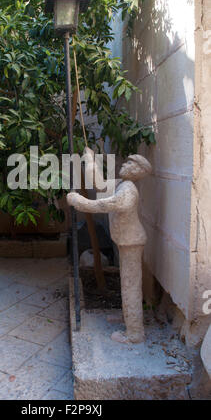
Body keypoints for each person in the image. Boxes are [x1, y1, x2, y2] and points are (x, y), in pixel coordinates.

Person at [67, 147, 152, 343]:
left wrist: (77, 201)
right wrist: (90, 160)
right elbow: (100, 185)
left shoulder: (128, 191)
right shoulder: (122, 183)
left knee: (130, 285)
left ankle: (134, 333)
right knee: (126, 282)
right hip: (126, 240)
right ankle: (127, 318)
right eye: (127, 161)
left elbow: (103, 205)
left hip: (131, 241)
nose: (124, 164)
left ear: (138, 171)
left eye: (130, 163)